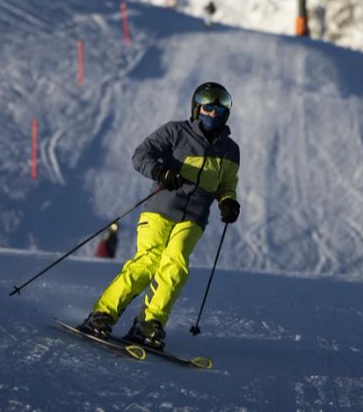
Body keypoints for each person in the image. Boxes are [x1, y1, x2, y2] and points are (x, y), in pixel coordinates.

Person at [78, 82, 241, 350]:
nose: (213, 114)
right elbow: (140, 155)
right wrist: (161, 172)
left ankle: (149, 323)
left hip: (194, 218)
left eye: (219, 109)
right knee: (149, 260)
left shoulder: (230, 150)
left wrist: (228, 202)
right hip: (161, 208)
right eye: (208, 107)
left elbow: (227, 184)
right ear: (197, 108)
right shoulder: (176, 132)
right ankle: (102, 314)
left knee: (176, 265)